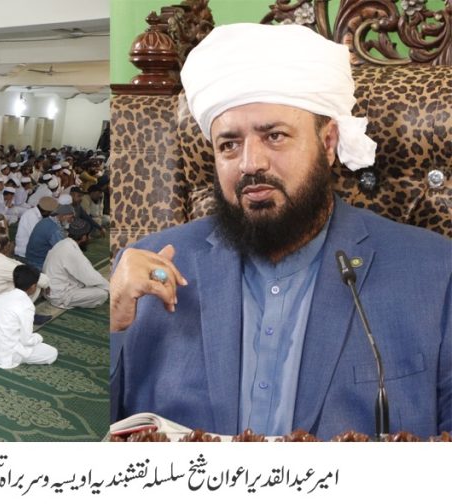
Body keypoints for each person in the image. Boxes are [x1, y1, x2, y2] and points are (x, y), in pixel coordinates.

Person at [110, 23, 452, 439]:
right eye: (229, 144)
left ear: (328, 143)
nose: (250, 163)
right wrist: (113, 323)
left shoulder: (435, 274)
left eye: (274, 136)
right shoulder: (148, 274)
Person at [0, 227, 50, 328]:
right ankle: (24, 314)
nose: (10, 245)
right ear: (1, 246)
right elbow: (41, 279)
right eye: (8, 243)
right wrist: (47, 284)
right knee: (32, 282)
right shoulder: (1, 263)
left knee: (21, 276)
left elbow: (14, 264)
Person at [0, 265, 58, 369]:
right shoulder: (26, 305)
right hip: (8, 354)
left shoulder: (2, 296)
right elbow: (26, 340)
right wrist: (38, 338)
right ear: (33, 286)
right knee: (52, 353)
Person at [43, 218, 108, 309]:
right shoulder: (70, 251)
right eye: (89, 236)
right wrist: (109, 288)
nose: (89, 239)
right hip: (59, 295)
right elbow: (90, 276)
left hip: (51, 289)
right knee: (102, 293)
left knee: (88, 282)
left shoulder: (63, 243)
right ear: (84, 237)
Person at [25, 202, 73, 270]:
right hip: (38, 263)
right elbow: (63, 249)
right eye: (71, 217)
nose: (71, 220)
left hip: (31, 258)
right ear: (64, 216)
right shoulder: (54, 230)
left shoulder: (46, 220)